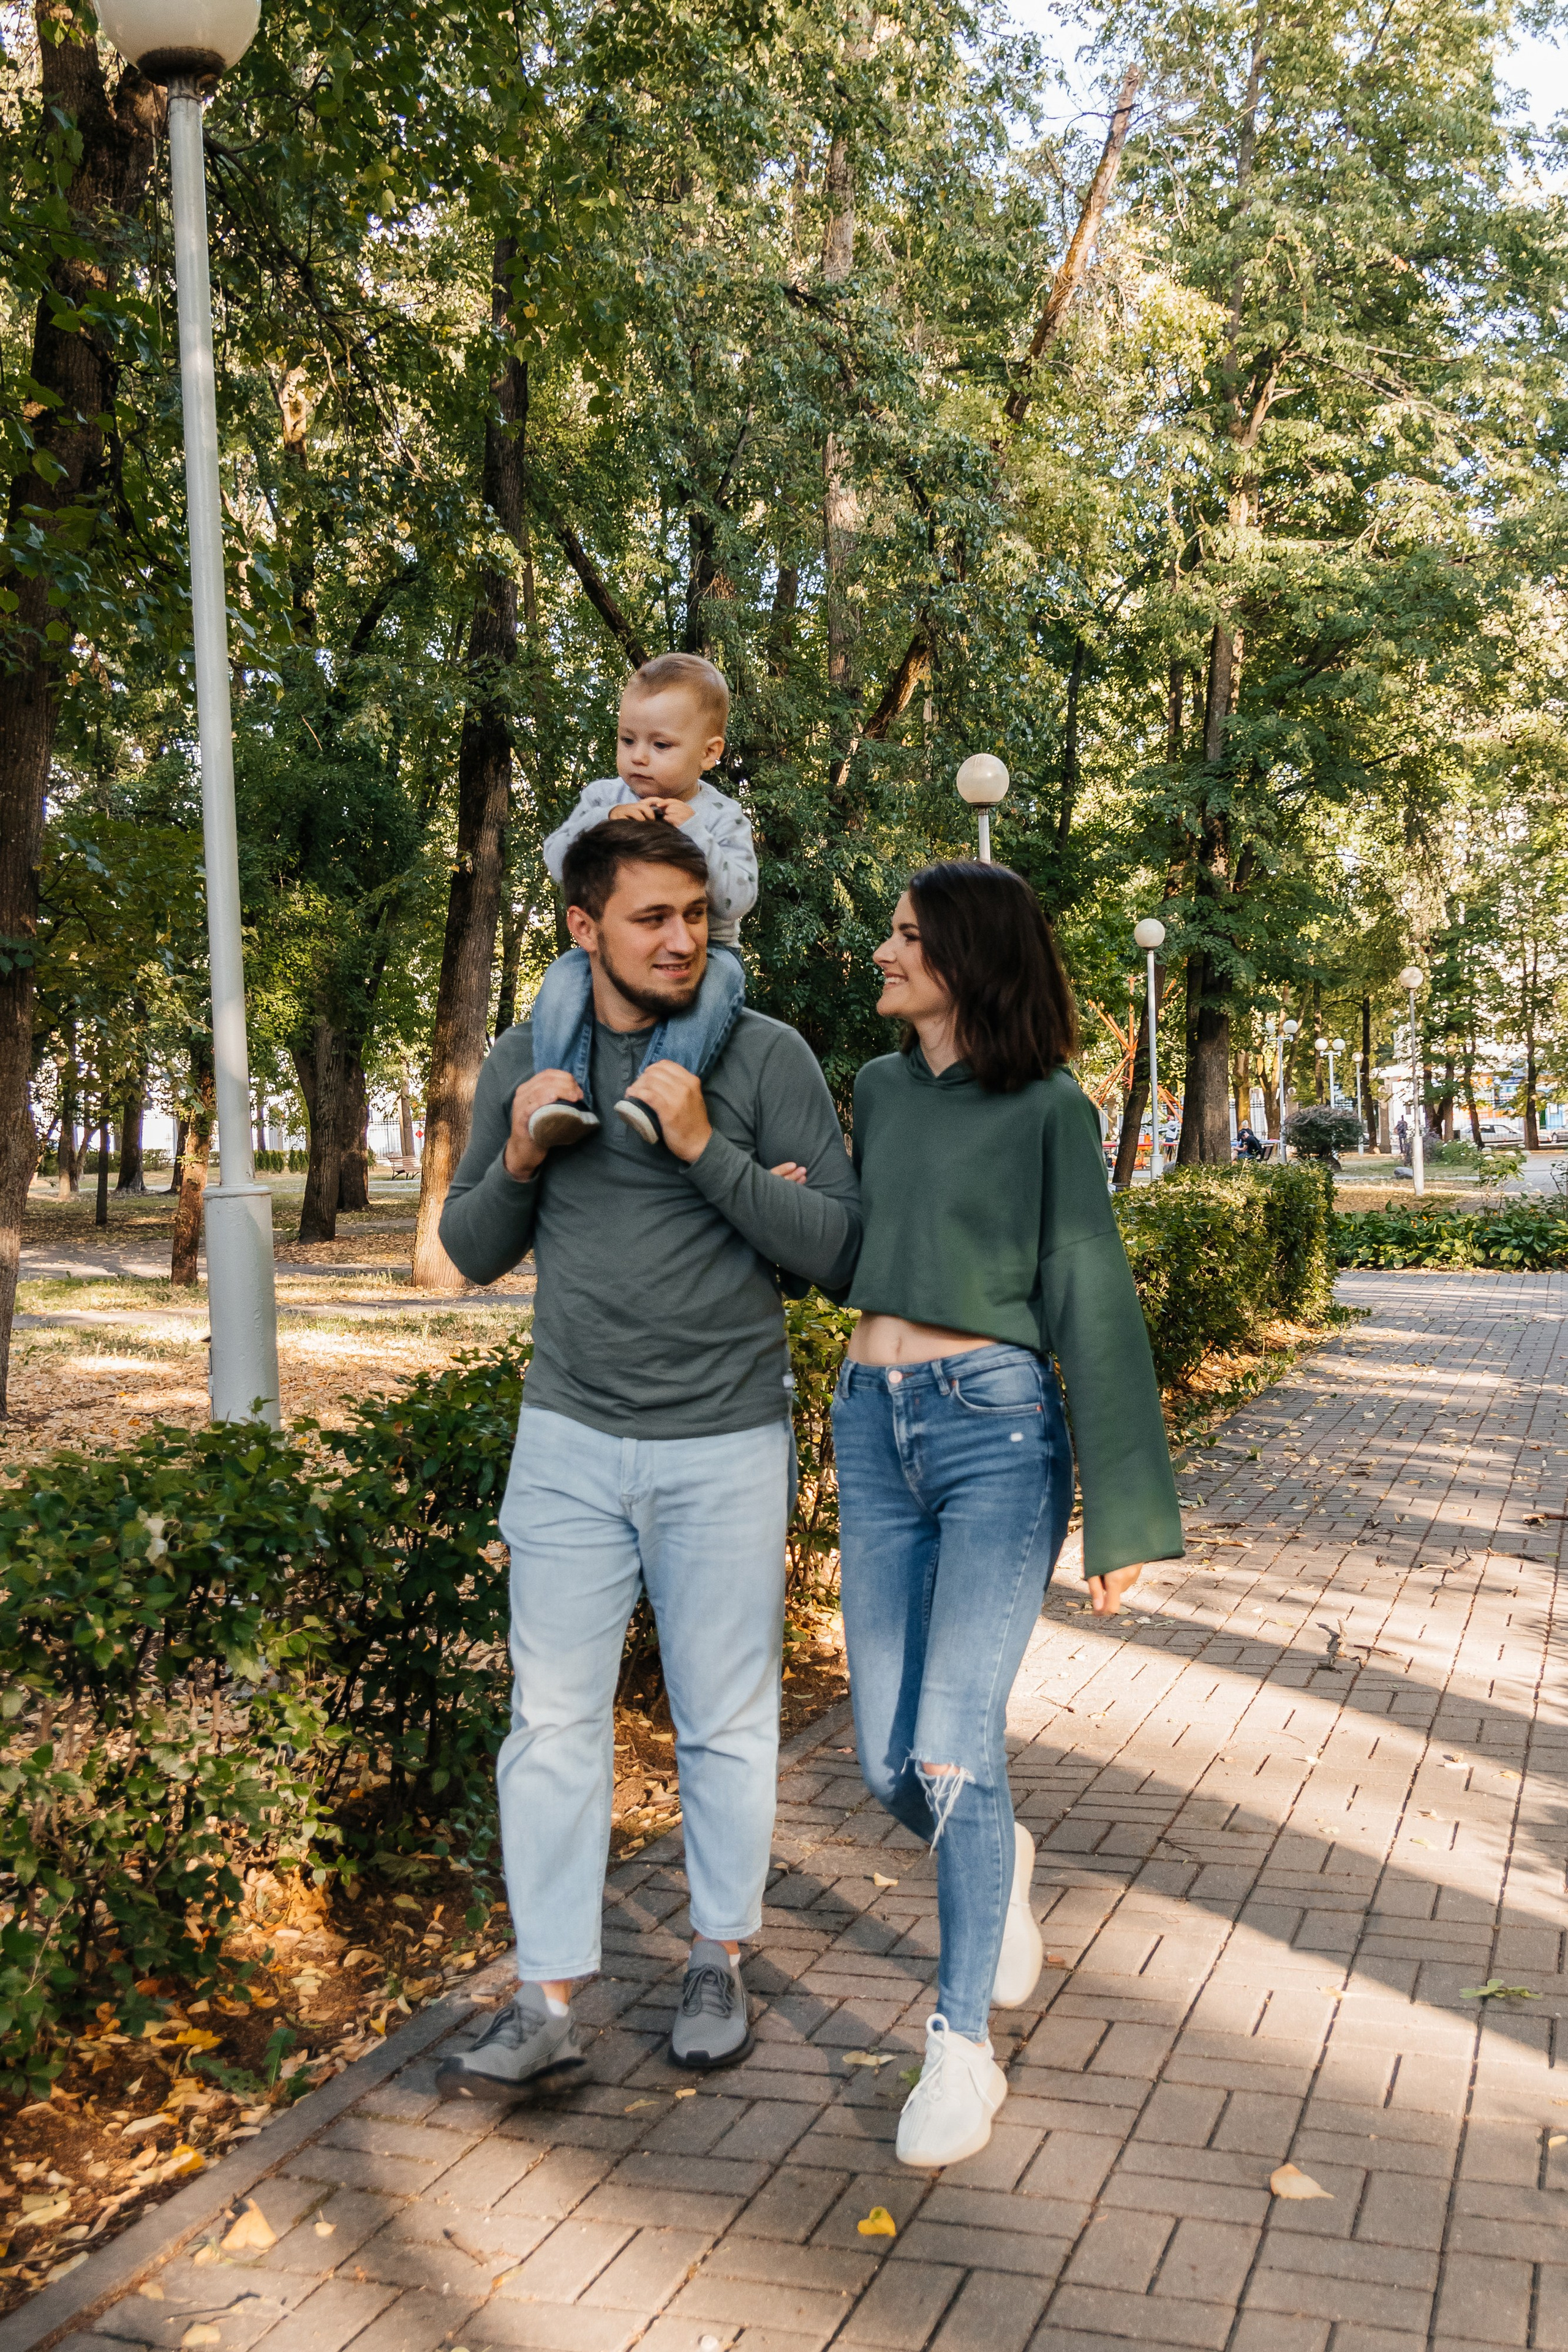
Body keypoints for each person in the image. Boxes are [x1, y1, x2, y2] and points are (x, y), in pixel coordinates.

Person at [434, 819, 861, 2100]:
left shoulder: (765, 1054)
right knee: (550, 1726)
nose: (682, 939)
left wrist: (704, 1153)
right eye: (649, 919)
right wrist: (516, 1153)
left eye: (694, 915)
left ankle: (717, 1957)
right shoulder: (528, 1054)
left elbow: (837, 1246)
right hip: (567, 1437)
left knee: (723, 1724)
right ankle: (546, 1994)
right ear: (583, 930)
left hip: (724, 1438)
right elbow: (467, 1247)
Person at [832, 862, 1182, 2169]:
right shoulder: (873, 1090)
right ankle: (998, 1853)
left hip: (994, 1438)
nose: (883, 949)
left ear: (965, 961)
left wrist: (1124, 1516)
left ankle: (958, 2049)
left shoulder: (1045, 1109)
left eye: (906, 936)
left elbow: (1086, 1288)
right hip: (869, 1426)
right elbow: (857, 1244)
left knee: (947, 1749)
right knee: (885, 1764)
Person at [529, 652, 756, 1149]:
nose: (639, 757)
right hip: (615, 954)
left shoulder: (720, 817)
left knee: (721, 987)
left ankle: (658, 1094)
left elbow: (738, 898)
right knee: (563, 980)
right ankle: (559, 1097)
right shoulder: (603, 797)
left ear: (709, 752)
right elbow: (554, 860)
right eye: (628, 740)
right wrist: (604, 821)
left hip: (708, 951)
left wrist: (694, 832)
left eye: (661, 744)